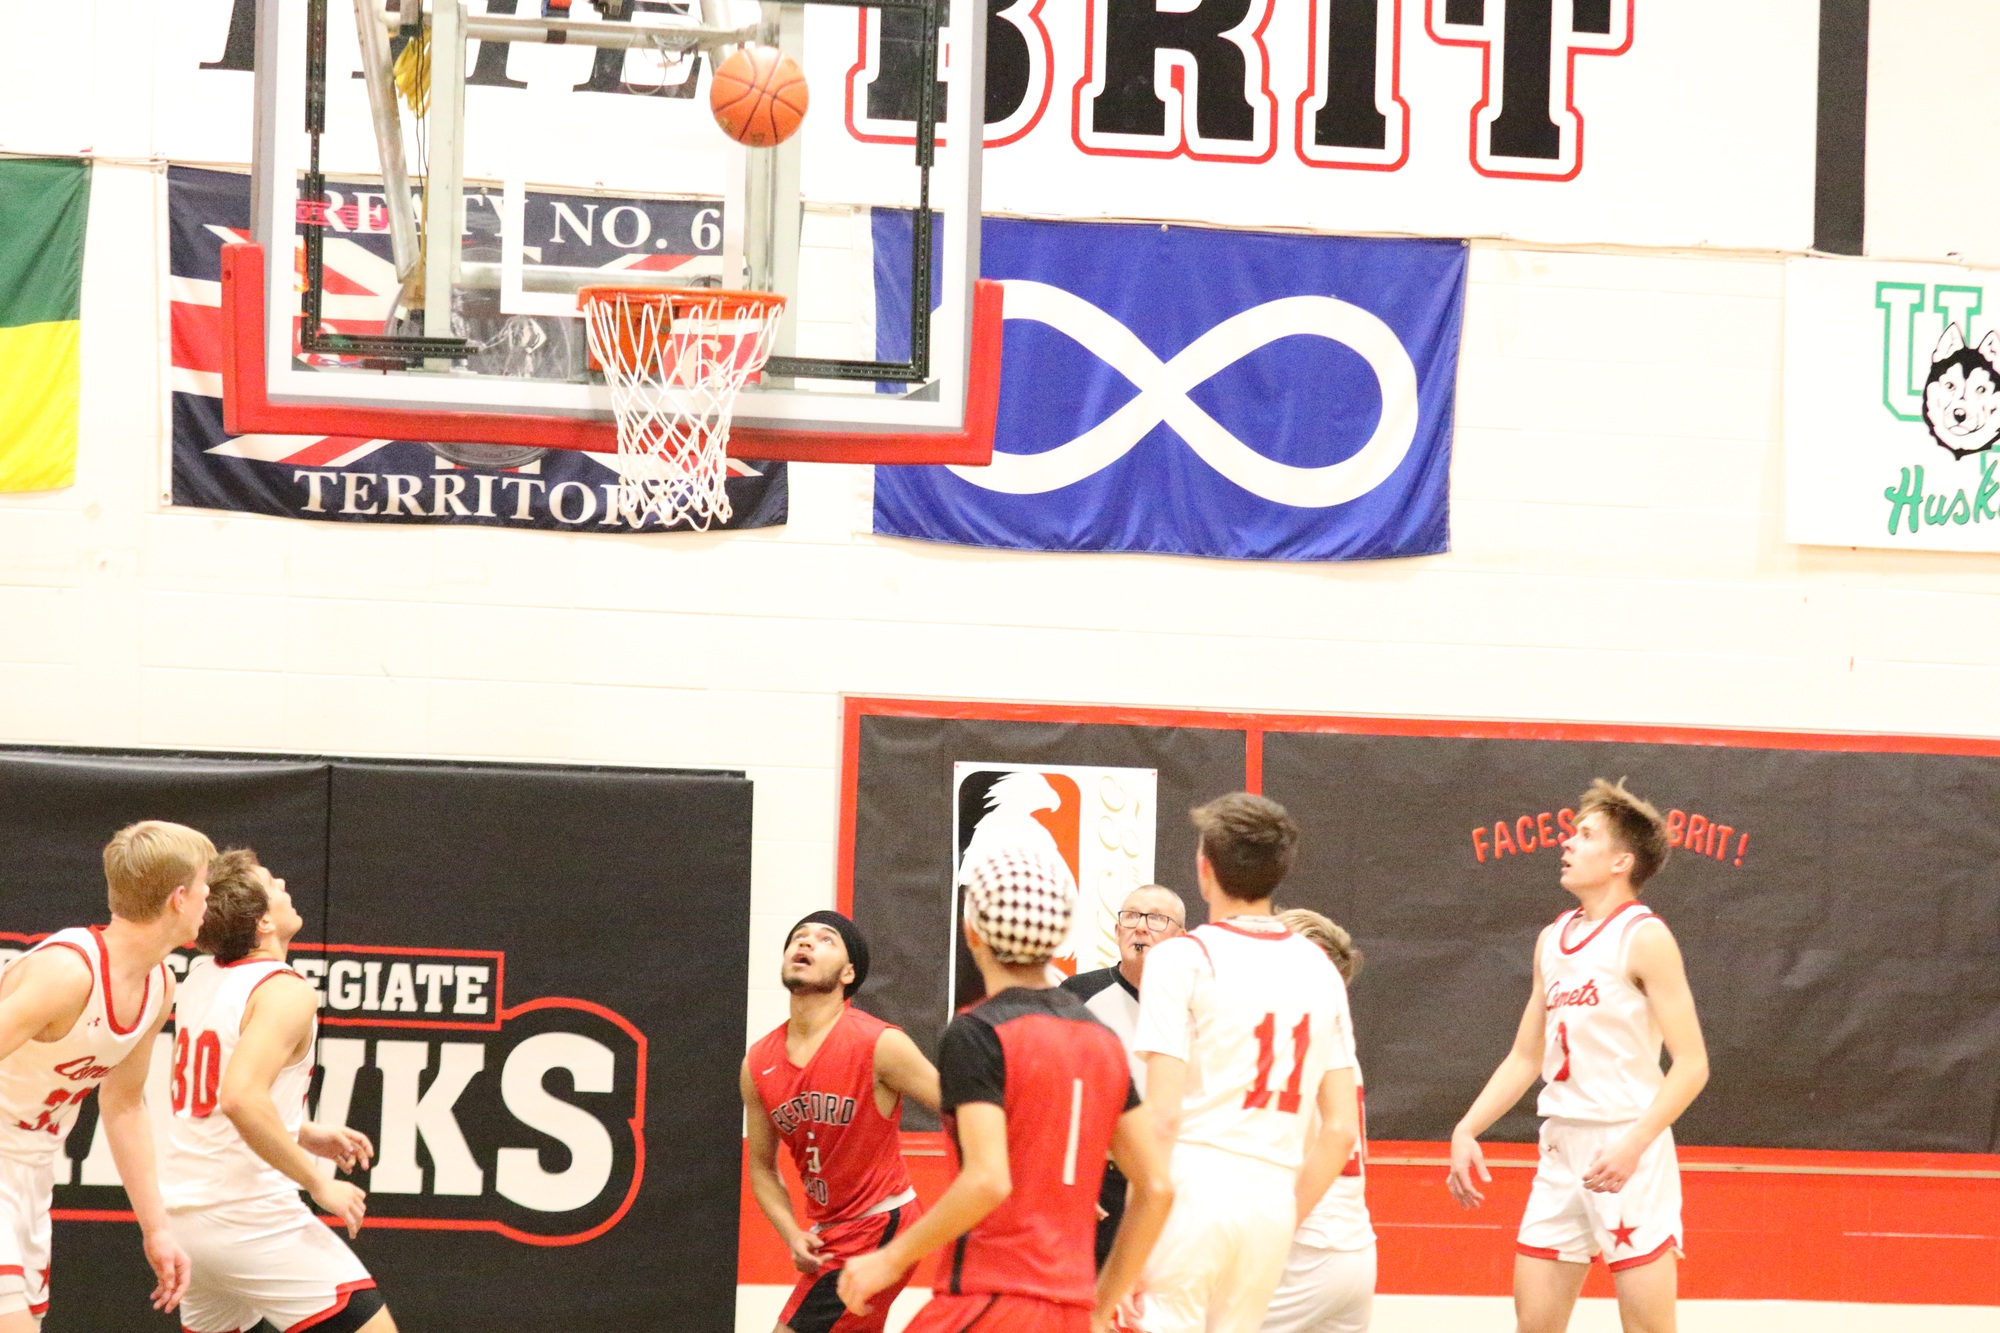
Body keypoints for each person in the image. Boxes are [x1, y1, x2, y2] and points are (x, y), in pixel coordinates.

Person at [836, 847, 1173, 1333]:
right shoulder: (1103, 1040)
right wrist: (1102, 1308)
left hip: (991, 1295)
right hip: (1072, 1309)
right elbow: (1157, 1187)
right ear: (1058, 936)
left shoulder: (977, 1032)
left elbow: (987, 1180)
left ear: (973, 931)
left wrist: (889, 1259)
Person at [1447, 780, 1710, 1333]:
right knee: (1535, 1324)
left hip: (1625, 1141)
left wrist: (1634, 1144)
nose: (1568, 843)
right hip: (1562, 1144)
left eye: (1585, 835)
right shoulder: (1553, 938)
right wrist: (1468, 1128)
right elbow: (1525, 1056)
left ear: (1621, 861)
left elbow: (1692, 1065)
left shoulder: (1645, 937)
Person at [1131, 793, 1359, 1333]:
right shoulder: (1321, 969)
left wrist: (1135, 1239)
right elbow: (1340, 1130)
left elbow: (1162, 1118)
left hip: (1195, 1187)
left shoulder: (1181, 957)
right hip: (1273, 1199)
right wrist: (1285, 1214)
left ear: (1204, 869)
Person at [161, 848, 393, 1333]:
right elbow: (240, 1098)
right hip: (249, 1218)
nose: (284, 884)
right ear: (263, 922)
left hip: (184, 1218)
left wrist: (298, 1130)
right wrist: (318, 1182)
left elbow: (216, 1095)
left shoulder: (200, 977)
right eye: (272, 883)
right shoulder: (284, 990)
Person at [0, 820, 212, 1329]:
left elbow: (123, 1105)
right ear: (179, 898)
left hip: (31, 1173)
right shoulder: (69, 973)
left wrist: (156, 1229)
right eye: (206, 885)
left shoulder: (159, 985)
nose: (210, 898)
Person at [742, 911, 941, 1333]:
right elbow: (761, 1167)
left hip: (880, 1223)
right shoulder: (757, 1062)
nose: (805, 942)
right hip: (831, 1231)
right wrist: (791, 1233)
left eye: (825, 939)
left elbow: (964, 1108)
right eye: (799, 937)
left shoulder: (879, 1043)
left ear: (848, 973)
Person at [1260, 910, 1373, 1333]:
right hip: (1354, 1245)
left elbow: (1322, 1139)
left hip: (1305, 1249)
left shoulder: (1291, 1041)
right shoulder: (1341, 1051)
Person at [1061, 884, 1185, 1268]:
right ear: (1116, 931)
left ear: (1181, 937)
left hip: (1179, 1180)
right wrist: (1073, 1182)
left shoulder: (1200, 1000)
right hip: (1101, 1180)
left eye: (1156, 918)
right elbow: (1058, 1095)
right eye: (1131, 916)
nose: (1141, 927)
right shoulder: (1077, 995)